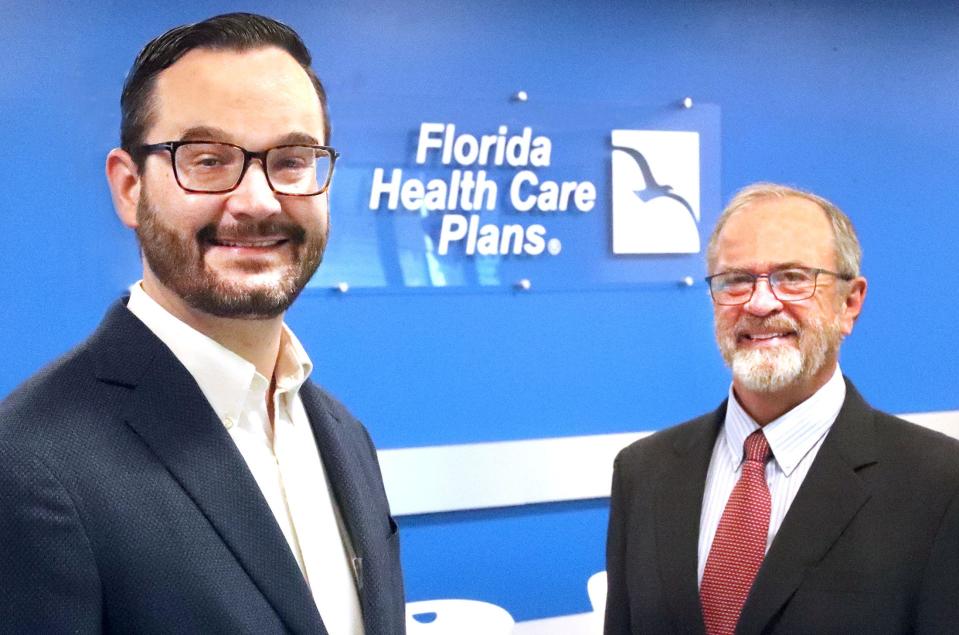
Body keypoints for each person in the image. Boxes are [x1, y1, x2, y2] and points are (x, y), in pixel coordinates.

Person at [0, 13, 405, 634]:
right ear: (129, 187)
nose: (259, 201)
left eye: (292, 160)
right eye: (209, 160)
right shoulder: (30, 465)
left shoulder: (345, 436)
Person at [604, 183, 959, 634]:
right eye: (735, 280)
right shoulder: (643, 472)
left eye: (792, 277)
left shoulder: (941, 485)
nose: (760, 302)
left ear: (849, 303)